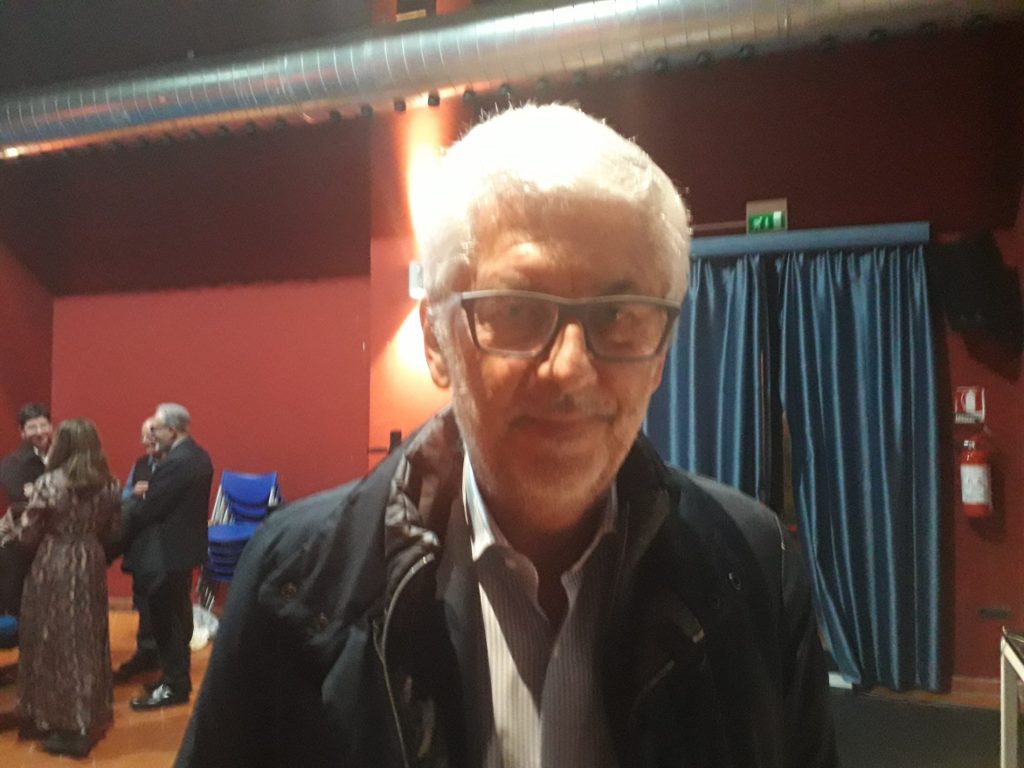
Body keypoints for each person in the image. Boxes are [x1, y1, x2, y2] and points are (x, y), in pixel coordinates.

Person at [177, 104, 837, 767]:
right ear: (436, 341)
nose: (571, 368)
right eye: (518, 310)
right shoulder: (293, 584)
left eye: (618, 314)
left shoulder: (753, 566)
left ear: (661, 352)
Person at [0, 418, 120, 758]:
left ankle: (55, 718)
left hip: (55, 561)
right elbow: (114, 531)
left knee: (50, 638)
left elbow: (28, 535)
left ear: (61, 445)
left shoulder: (49, 483)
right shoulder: (110, 484)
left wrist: (12, 527)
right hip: (89, 559)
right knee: (86, 639)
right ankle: (85, 715)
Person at [123, 403, 213, 711]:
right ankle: (173, 679)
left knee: (168, 621)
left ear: (172, 431)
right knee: (177, 617)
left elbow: (150, 508)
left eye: (157, 429)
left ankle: (174, 685)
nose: (152, 435)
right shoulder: (197, 455)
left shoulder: (177, 462)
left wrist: (134, 501)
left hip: (167, 553)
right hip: (181, 551)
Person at [111, 416, 164, 683]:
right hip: (141, 544)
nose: (147, 441)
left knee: (165, 602)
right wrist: (133, 493)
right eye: (144, 436)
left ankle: (168, 660)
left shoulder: (178, 466)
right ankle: (146, 653)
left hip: (167, 546)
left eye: (152, 434)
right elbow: (124, 497)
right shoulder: (141, 464)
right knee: (142, 599)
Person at [0, 403, 52, 619]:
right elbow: (20, 498)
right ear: (22, 432)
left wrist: (37, 492)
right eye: (32, 427)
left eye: (43, 425)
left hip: (57, 537)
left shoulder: (62, 457)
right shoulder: (12, 463)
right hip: (24, 539)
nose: (39, 432)